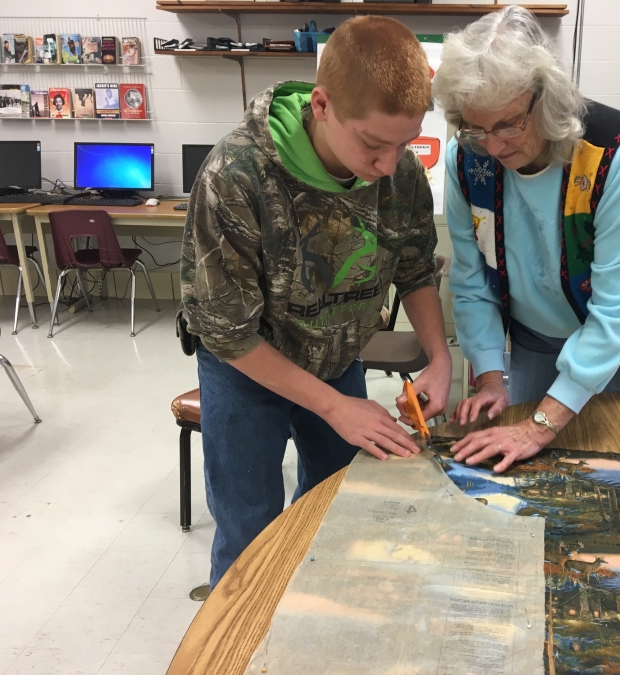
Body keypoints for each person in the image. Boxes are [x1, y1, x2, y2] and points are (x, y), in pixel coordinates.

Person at [180, 16, 451, 588]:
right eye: (374, 144)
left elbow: (414, 266)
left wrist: (439, 357)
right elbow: (227, 332)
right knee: (250, 526)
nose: (389, 164)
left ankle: (317, 609)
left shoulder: (399, 170)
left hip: (337, 357)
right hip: (247, 368)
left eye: (405, 143)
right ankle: (243, 639)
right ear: (322, 106)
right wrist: (332, 406)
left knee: (338, 503)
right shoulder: (236, 174)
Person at [432, 7, 620, 473]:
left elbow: (616, 314)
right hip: (535, 336)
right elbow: (471, 284)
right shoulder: (466, 158)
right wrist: (491, 379)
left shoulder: (619, 154)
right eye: (477, 128)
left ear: (545, 97)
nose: (493, 146)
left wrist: (538, 425)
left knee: (617, 470)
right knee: (530, 475)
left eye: (509, 124)